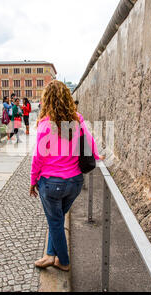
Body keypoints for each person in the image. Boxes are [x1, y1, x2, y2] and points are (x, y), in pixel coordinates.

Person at [29, 80, 101, 272]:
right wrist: (96, 156)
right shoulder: (77, 120)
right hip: (75, 183)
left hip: (51, 184)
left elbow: (38, 158)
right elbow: (90, 141)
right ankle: (49, 256)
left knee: (55, 221)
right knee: (58, 220)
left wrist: (32, 181)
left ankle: (64, 261)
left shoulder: (46, 124)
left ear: (47, 99)